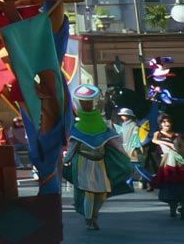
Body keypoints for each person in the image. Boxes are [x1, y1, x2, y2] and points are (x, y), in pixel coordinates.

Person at [63, 83, 133, 231]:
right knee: (89, 193)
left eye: (89, 101)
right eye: (84, 102)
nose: (87, 104)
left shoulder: (104, 125)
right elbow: (72, 147)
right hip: (84, 163)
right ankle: (89, 220)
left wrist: (125, 157)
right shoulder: (77, 127)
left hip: (99, 163)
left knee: (101, 193)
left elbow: (114, 143)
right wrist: (66, 160)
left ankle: (94, 216)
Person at [150, 113, 184, 218]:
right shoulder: (158, 133)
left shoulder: (176, 135)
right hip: (167, 161)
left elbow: (181, 148)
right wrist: (168, 144)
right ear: (160, 124)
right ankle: (173, 208)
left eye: (168, 121)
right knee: (169, 183)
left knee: (180, 183)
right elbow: (154, 140)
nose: (166, 124)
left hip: (178, 161)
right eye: (164, 122)